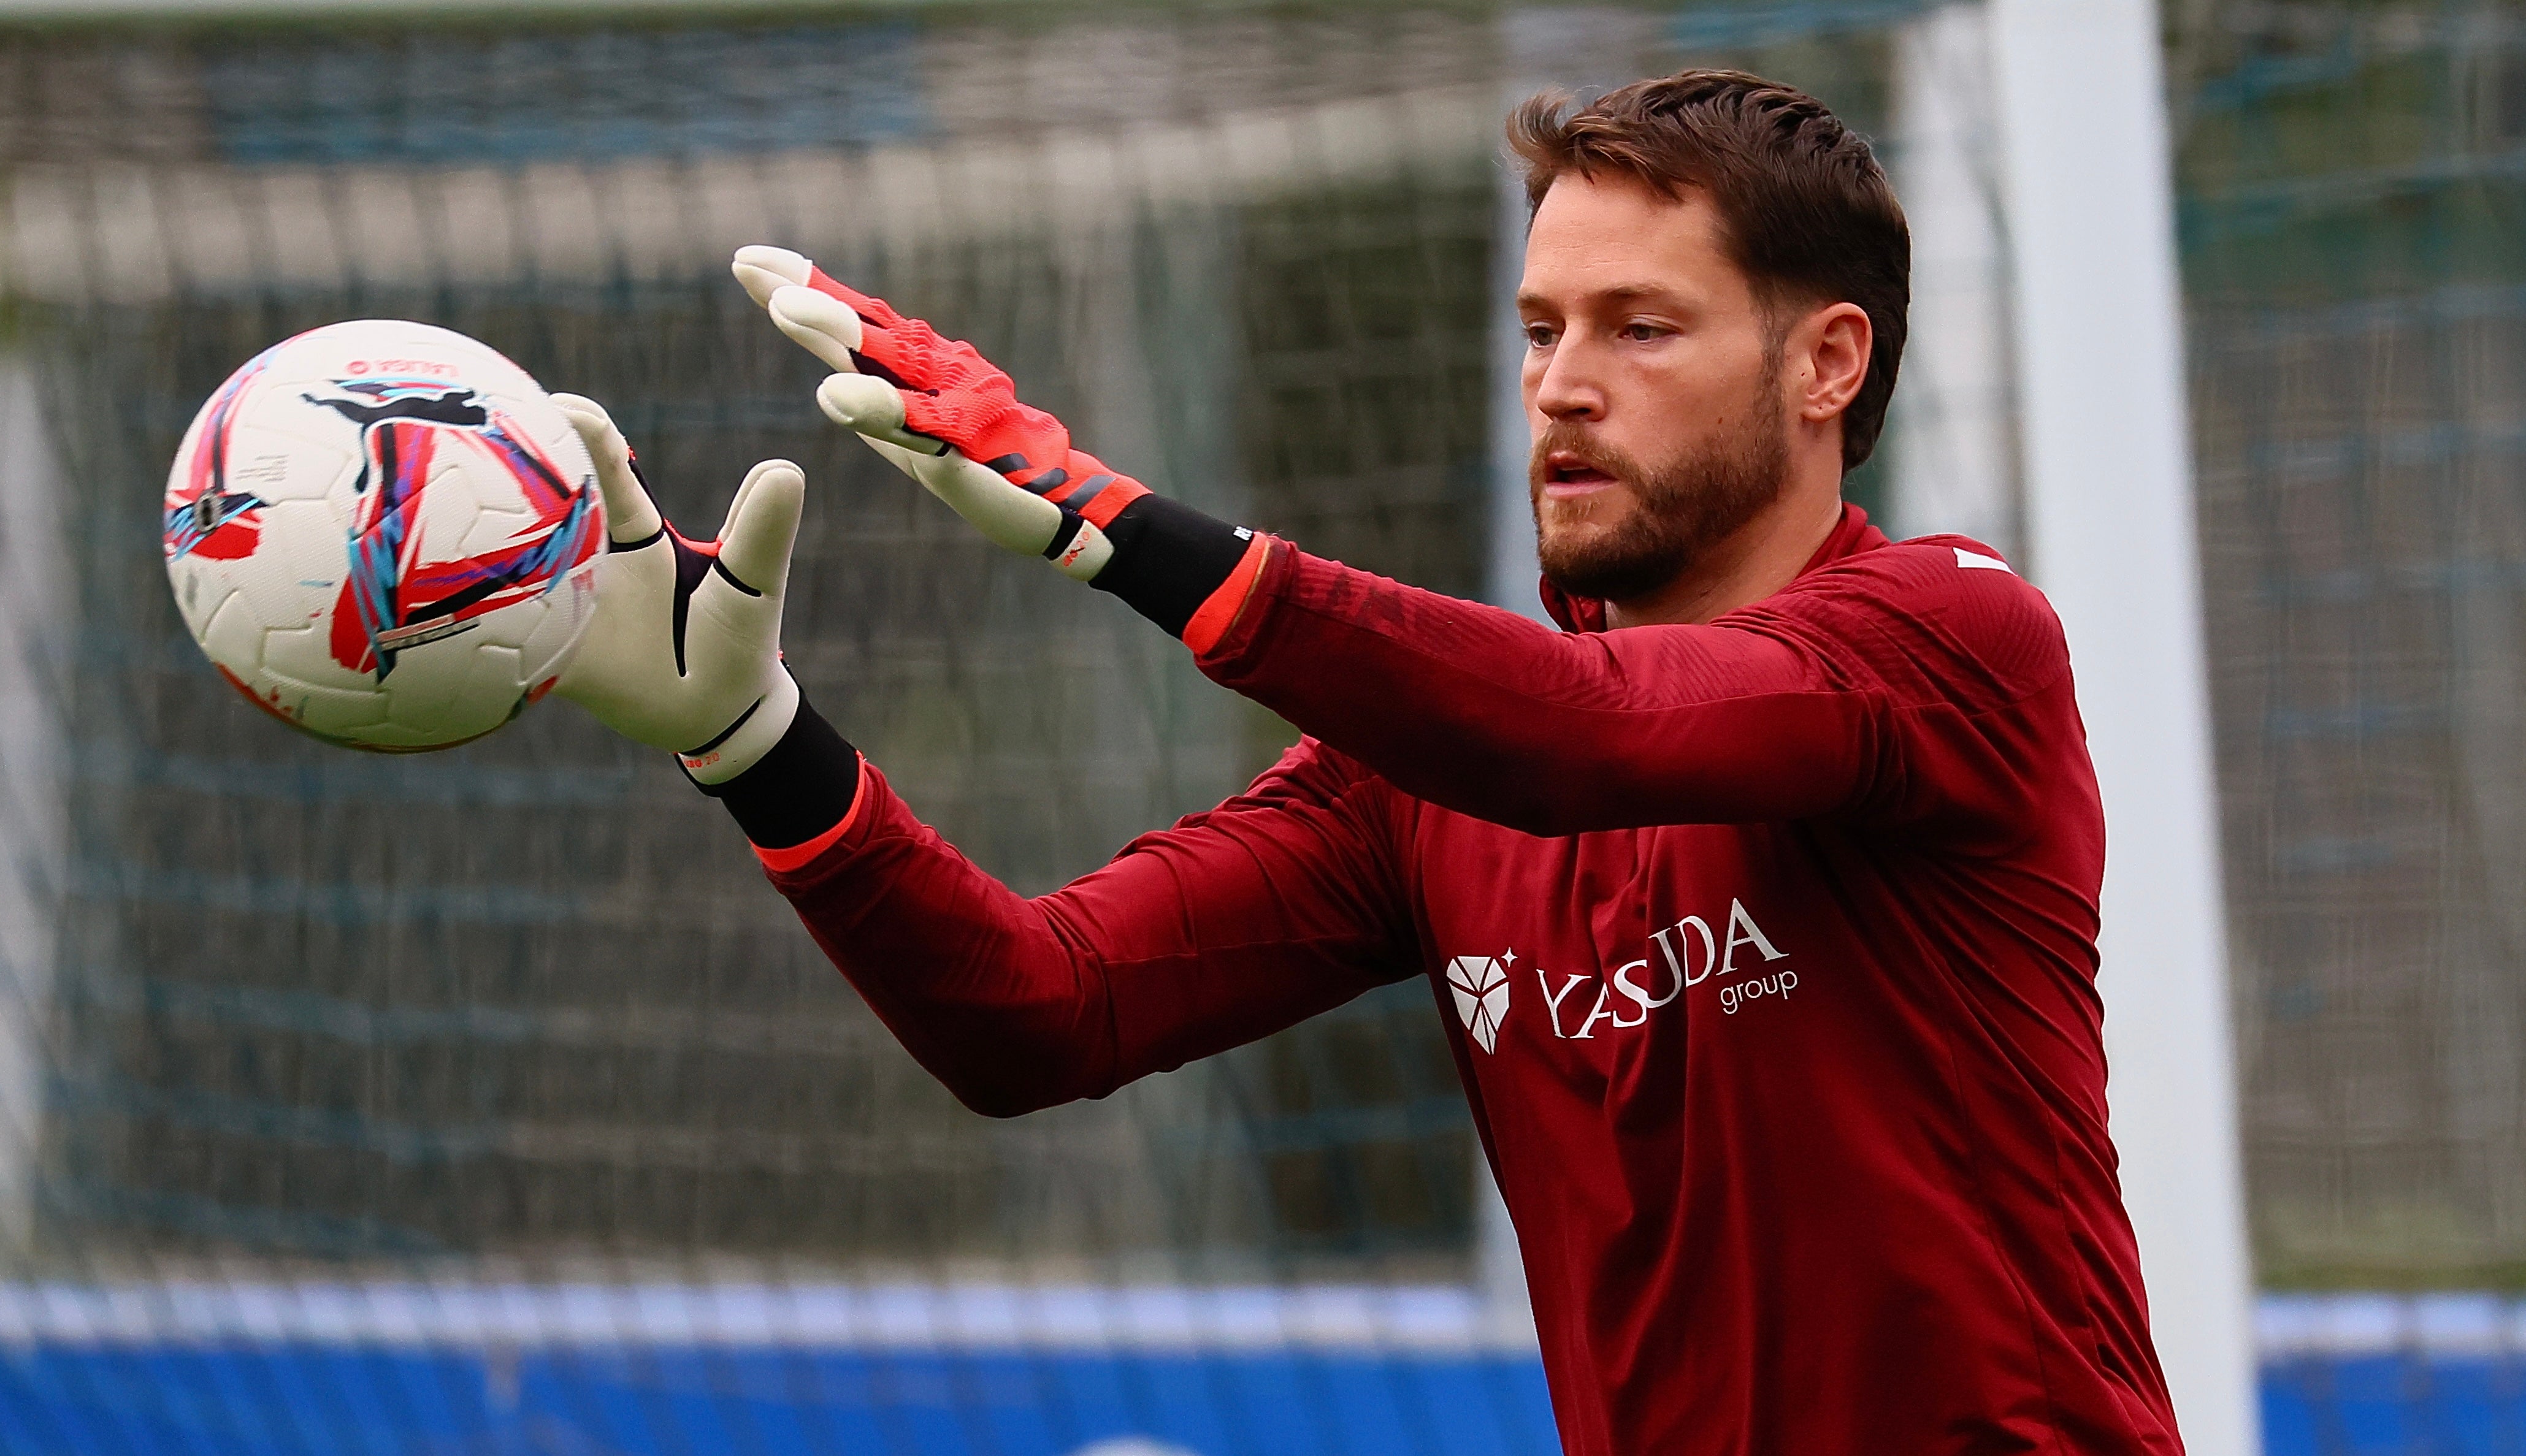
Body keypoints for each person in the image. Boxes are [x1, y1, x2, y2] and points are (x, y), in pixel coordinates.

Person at [543, 69, 2184, 1456]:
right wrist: (752, 740)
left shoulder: (1951, 642)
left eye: (1642, 328)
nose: (1562, 385)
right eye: (1541, 327)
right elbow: (1040, 1012)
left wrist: (1117, 527)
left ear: (1826, 364)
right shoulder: (1421, 773)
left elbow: (1584, 735)